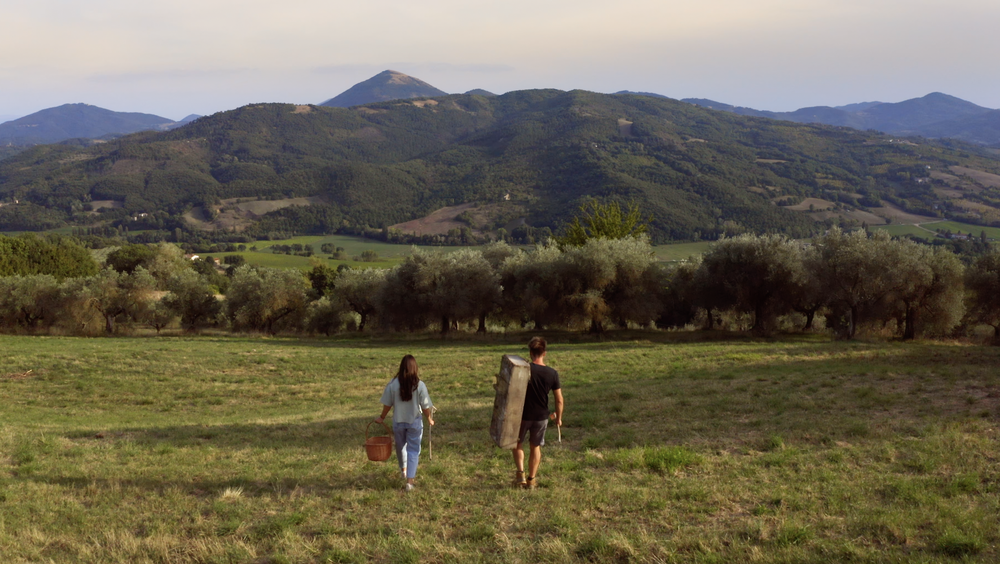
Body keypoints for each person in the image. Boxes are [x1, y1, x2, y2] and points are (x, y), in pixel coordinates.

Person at [375, 354, 435, 492]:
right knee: (413, 451)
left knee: (400, 447)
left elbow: (387, 405)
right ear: (415, 368)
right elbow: (425, 406)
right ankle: (410, 482)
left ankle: (403, 470)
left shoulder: (393, 384)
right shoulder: (420, 385)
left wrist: (381, 417)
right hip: (414, 422)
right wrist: (429, 419)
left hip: (398, 422)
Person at [512, 336, 563, 489]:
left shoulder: (523, 370)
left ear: (530, 353)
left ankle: (520, 474)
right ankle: (531, 479)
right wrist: (558, 417)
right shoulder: (552, 373)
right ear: (544, 353)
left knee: (517, 443)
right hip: (541, 417)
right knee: (535, 446)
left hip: (522, 415)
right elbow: (559, 399)